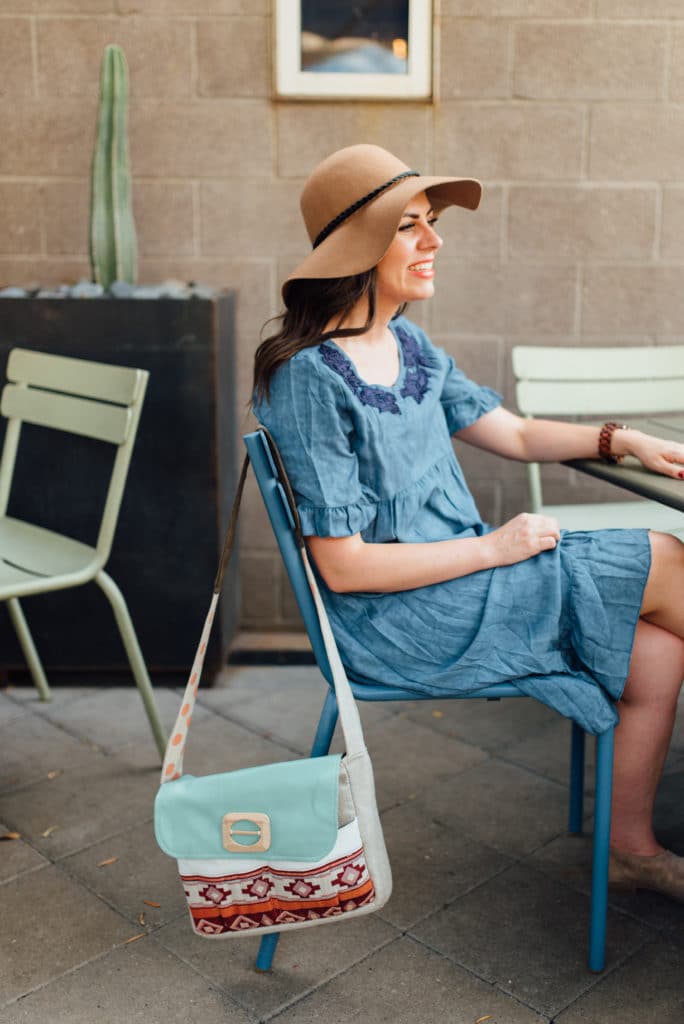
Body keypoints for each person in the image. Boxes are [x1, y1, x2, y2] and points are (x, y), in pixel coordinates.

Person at [253, 143, 684, 902]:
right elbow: (345, 567)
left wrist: (623, 439)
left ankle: (631, 849)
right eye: (410, 226)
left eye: (431, 222)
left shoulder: (406, 345)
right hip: (400, 614)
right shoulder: (311, 379)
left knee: (654, 652)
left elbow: (512, 434)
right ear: (360, 247)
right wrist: (492, 547)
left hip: (468, 577)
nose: (435, 241)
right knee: (665, 556)